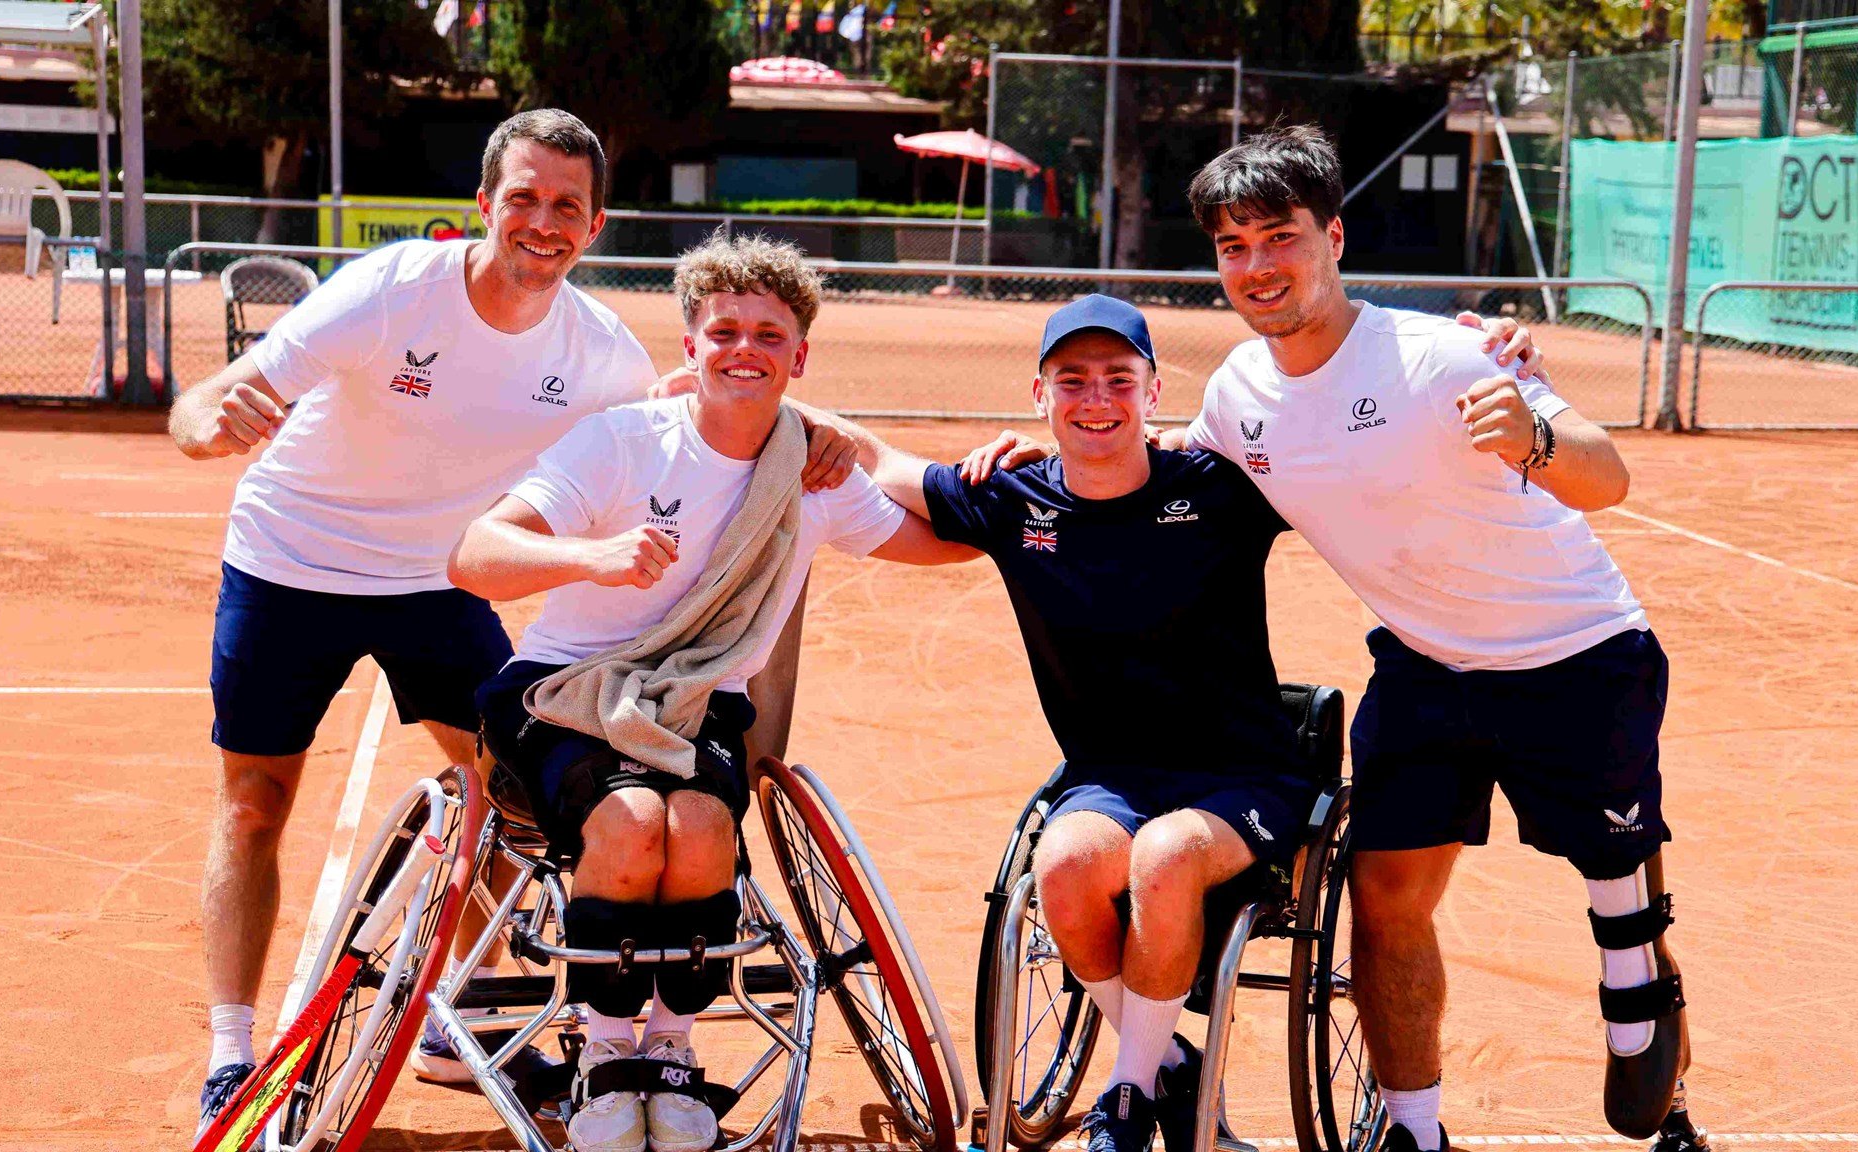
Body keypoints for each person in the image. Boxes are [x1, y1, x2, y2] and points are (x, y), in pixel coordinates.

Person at [970, 126, 1707, 1152]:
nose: (1257, 265)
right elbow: (1160, 467)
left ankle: (1641, 1017)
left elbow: (1606, 476)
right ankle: (1414, 1130)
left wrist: (1533, 436)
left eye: (1278, 236)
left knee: (1615, 881)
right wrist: (1050, 448)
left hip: (1574, 652)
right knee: (1384, 900)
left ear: (1332, 237)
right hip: (1420, 667)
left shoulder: (1438, 353)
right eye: (1233, 245)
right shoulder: (1237, 391)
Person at [168, 109, 851, 1136]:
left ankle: (454, 1018)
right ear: (483, 206)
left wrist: (819, 427)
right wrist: (202, 424)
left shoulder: (597, 351)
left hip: (444, 586)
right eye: (522, 199)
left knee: (509, 803)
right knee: (256, 803)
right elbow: (217, 398)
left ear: (593, 224)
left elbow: (707, 403)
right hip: (292, 562)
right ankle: (232, 1047)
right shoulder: (390, 290)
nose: (542, 222)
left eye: (565, 206)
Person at [447, 232, 975, 1152]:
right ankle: (609, 1057)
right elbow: (476, 555)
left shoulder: (810, 471)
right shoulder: (622, 442)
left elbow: (938, 538)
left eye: (770, 337)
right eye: (724, 330)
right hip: (567, 693)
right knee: (628, 826)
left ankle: (671, 1053)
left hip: (695, 703)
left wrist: (1012, 493)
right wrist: (590, 555)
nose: (745, 350)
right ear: (690, 348)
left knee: (697, 828)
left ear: (799, 358)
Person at [815, 294, 1314, 1152]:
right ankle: (1163, 1063)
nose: (1096, 399)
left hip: (1244, 772)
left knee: (1165, 857)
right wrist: (735, 394)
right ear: (1038, 394)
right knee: (1066, 865)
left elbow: (1354, 463)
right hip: (1111, 774)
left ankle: (1125, 1095)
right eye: (1072, 380)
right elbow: (874, 457)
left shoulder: (1223, 491)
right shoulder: (1012, 497)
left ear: (1153, 391)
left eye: (1118, 379)